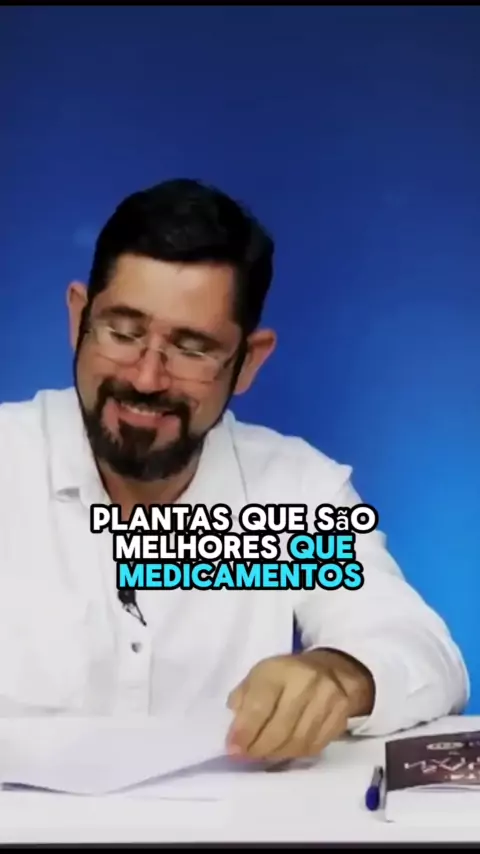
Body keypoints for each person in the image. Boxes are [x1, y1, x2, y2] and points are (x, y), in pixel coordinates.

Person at [0, 178, 468, 764]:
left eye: (192, 348)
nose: (146, 377)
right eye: (122, 332)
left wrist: (338, 674)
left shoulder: (292, 493)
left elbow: (425, 653)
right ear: (78, 320)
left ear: (248, 362)